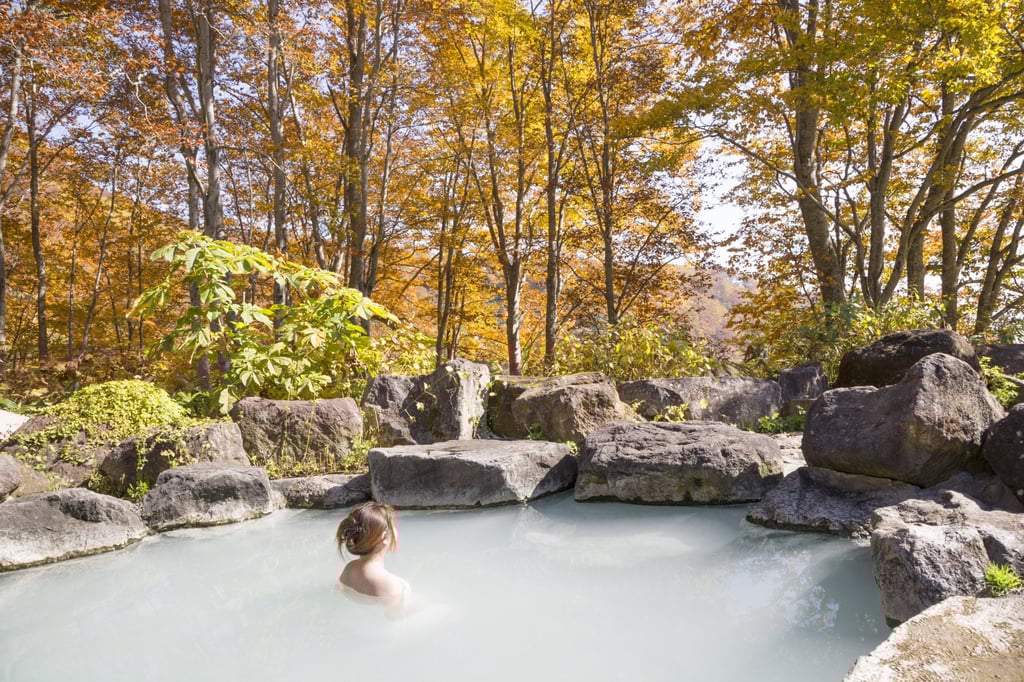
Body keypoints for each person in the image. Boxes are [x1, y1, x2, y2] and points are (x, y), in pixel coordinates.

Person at [336, 502, 409, 609]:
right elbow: (395, 620)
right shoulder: (390, 585)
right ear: (383, 537)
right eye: (393, 526)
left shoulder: (349, 568)